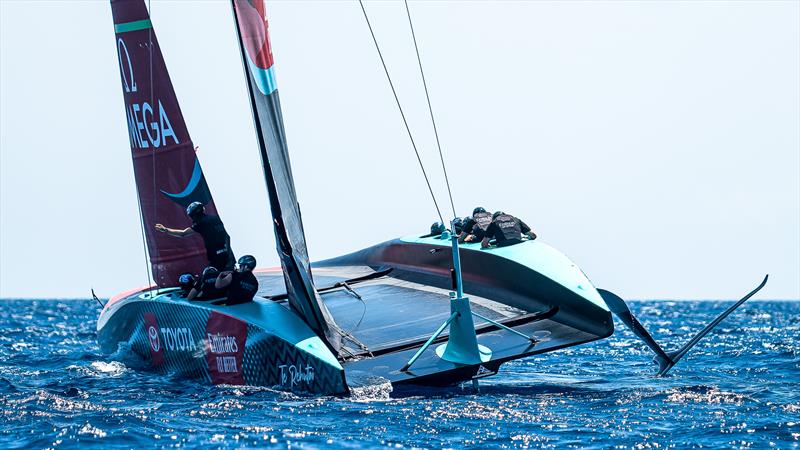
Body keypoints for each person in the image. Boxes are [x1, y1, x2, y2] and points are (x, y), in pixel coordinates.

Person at [155, 202, 234, 271]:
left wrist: (165, 230)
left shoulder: (201, 223)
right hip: (227, 254)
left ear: (193, 214)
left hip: (216, 257)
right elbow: (227, 237)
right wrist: (229, 254)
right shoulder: (216, 219)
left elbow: (183, 233)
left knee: (211, 279)